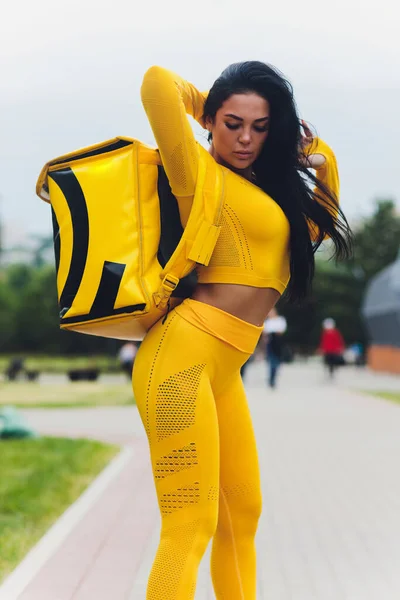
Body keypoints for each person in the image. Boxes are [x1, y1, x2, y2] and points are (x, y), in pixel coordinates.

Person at [132, 62, 352, 599]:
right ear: (211, 121)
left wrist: (316, 149)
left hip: (226, 369)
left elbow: (321, 217)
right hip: (180, 358)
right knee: (190, 524)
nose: (246, 139)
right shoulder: (199, 177)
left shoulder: (276, 197)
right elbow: (156, 83)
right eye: (233, 124)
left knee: (242, 517)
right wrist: (211, 102)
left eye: (261, 127)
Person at [264, 307, 287, 388]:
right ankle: (271, 378)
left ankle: (274, 375)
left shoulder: (280, 320)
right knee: (271, 360)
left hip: (277, 342)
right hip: (270, 342)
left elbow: (281, 331)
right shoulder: (267, 322)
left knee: (277, 360)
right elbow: (265, 333)